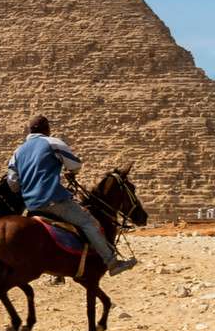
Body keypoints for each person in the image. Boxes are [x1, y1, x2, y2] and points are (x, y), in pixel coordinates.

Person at [9, 116, 135, 275]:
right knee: (89, 223)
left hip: (32, 205)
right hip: (54, 199)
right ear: (47, 129)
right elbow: (75, 165)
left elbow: (13, 183)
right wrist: (71, 172)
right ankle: (112, 262)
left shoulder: (18, 151)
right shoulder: (52, 142)